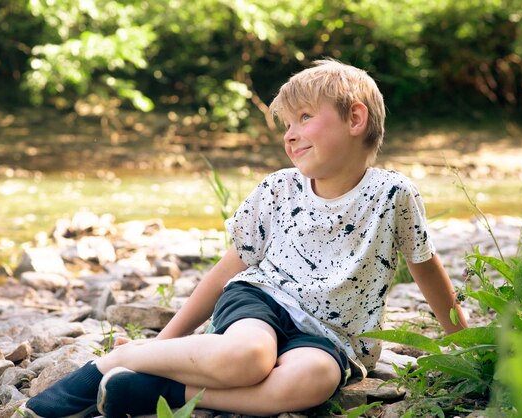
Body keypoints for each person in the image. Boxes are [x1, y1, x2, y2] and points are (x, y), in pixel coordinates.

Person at [24, 59, 467, 418]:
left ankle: (163, 392)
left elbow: (425, 267)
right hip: (261, 302)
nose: (290, 134)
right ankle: (118, 360)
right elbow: (228, 268)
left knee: (311, 381)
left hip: (333, 338)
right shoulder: (278, 190)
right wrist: (163, 342)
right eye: (286, 125)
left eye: (305, 118)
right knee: (249, 358)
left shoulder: (393, 195)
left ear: (355, 118)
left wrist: (466, 348)